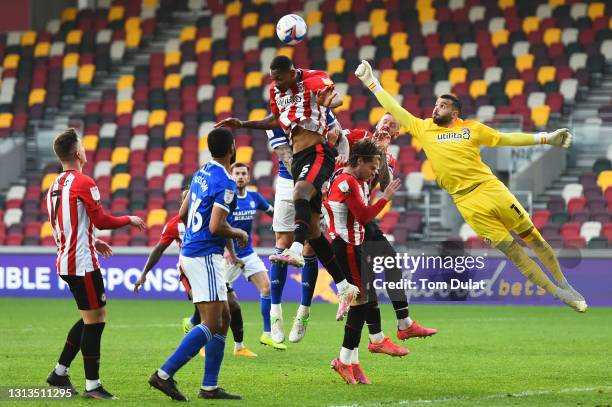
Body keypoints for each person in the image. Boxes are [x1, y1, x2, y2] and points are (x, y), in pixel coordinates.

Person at [355, 60, 587, 312]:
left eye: (442, 106)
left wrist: (545, 138)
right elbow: (394, 108)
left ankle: (566, 284)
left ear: (454, 113)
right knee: (513, 252)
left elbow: (505, 139)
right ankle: (560, 294)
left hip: (490, 188)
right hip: (465, 202)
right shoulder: (423, 128)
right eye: (435, 104)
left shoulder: (472, 129)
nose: (436, 109)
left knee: (534, 238)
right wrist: (371, 82)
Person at [215, 55, 359, 321]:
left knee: (299, 194)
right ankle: (344, 286)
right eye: (272, 79)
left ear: (292, 73)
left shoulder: (313, 77)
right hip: (300, 156)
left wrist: (328, 103)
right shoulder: (276, 91)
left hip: (318, 152)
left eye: (280, 78)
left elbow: (335, 99)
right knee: (315, 232)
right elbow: (276, 119)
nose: (276, 83)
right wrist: (243, 124)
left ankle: (294, 250)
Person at [45, 128, 146, 399]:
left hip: (66, 260)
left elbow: (68, 223)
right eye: (84, 147)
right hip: (82, 264)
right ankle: (92, 385)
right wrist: (128, 219)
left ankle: (60, 372)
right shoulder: (83, 181)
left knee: (91, 317)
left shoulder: (53, 186)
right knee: (95, 321)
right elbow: (100, 219)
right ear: (78, 153)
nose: (86, 151)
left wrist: (93, 239)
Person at [148, 128, 247, 401]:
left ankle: (210, 386)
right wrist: (238, 233)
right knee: (211, 322)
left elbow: (181, 213)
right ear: (232, 149)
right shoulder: (226, 184)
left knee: (224, 317)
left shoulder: (201, 171)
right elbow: (216, 226)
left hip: (192, 251)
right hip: (205, 255)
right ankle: (164, 374)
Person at [328, 116, 438, 341]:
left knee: (389, 262)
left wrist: (382, 154)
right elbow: (335, 139)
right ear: (377, 124)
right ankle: (378, 334)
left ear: (396, 135)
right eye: (385, 122)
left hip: (362, 216)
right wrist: (337, 146)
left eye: (393, 126)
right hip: (344, 210)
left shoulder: (388, 157)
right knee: (363, 282)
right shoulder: (358, 135)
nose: (387, 126)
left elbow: (386, 186)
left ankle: (397, 325)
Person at [133, 188, 257, 358]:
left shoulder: (209, 218)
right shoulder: (174, 224)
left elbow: (224, 232)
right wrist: (144, 273)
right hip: (190, 270)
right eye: (187, 201)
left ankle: (238, 346)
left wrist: (233, 255)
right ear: (181, 205)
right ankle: (200, 345)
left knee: (232, 304)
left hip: (212, 267)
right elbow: (158, 249)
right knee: (208, 310)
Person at [324, 140, 405, 385]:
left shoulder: (353, 180)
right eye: (372, 167)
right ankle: (348, 357)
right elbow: (363, 216)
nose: (374, 173)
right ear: (358, 161)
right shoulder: (347, 182)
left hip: (355, 247)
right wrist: (385, 198)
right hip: (346, 248)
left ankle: (354, 362)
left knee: (365, 300)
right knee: (361, 303)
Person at [224, 162, 286, 351]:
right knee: (217, 301)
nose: (240, 176)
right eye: (237, 173)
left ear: (248, 177)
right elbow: (217, 224)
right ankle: (195, 324)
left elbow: (272, 212)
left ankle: (267, 334)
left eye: (244, 173)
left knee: (267, 288)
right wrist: (225, 249)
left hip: (248, 253)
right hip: (226, 255)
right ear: (231, 176)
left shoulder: (254, 197)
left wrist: (287, 221)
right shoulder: (226, 198)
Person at [266, 128, 320, 344]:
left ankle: (303, 312)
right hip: (288, 182)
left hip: (315, 181)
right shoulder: (277, 118)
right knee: (283, 242)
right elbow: (284, 153)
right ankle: (275, 313)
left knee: (310, 246)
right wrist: (302, 182)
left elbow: (335, 134)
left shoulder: (315, 109)